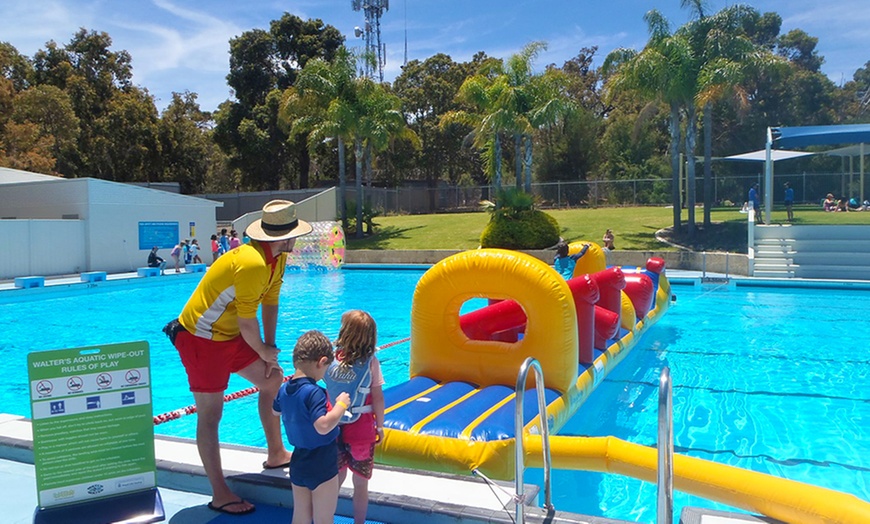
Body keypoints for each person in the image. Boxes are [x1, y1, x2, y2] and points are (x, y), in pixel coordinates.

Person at [164, 200, 312, 515]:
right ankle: (219, 493)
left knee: (272, 379)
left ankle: (276, 453)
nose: (297, 240)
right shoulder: (253, 263)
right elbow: (248, 321)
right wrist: (261, 349)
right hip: (201, 339)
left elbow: (270, 304)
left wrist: (269, 351)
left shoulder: (276, 259)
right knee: (211, 414)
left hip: (230, 335)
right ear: (283, 237)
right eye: (294, 235)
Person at [274, 330, 350, 524]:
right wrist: (341, 405)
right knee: (324, 518)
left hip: (299, 461)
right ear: (321, 361)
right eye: (325, 369)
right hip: (321, 461)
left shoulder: (284, 389)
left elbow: (275, 411)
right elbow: (323, 426)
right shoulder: (314, 392)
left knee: (300, 516)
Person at [324, 310, 386, 524]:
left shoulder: (330, 360)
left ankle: (326, 518)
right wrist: (380, 426)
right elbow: (377, 397)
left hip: (332, 426)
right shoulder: (371, 363)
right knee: (360, 484)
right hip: (362, 430)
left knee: (335, 479)